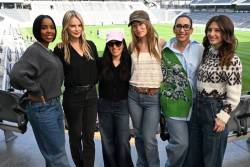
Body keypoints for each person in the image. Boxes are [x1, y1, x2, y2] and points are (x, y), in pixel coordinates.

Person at [9, 15, 70, 167]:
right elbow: (16, 75)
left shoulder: (47, 51)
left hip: (54, 105)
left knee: (55, 153)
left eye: (51, 27)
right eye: (44, 27)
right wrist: (36, 90)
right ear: (37, 30)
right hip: (42, 108)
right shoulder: (34, 50)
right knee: (57, 156)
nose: (49, 30)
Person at [185, 15, 242, 167]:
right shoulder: (207, 52)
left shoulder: (232, 59)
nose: (212, 33)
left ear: (226, 33)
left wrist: (222, 117)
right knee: (193, 157)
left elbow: (234, 96)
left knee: (211, 160)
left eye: (217, 30)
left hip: (214, 112)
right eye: (209, 30)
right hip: (197, 109)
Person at [53, 10, 98, 167]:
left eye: (79, 25)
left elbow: (99, 70)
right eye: (73, 26)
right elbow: (55, 77)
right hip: (73, 97)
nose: (77, 29)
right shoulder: (60, 49)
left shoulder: (90, 45)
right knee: (74, 136)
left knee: (89, 137)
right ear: (66, 27)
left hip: (92, 96)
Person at [160, 15, 204, 167]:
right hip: (173, 104)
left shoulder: (200, 49)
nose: (182, 30)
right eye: (179, 26)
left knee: (191, 147)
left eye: (186, 26)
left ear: (191, 30)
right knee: (181, 144)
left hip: (195, 105)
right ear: (173, 29)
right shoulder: (163, 49)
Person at [127, 10, 165, 167]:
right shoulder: (131, 46)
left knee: (149, 138)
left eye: (141, 24)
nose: (138, 28)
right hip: (134, 95)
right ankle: (142, 164)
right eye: (134, 25)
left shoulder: (160, 43)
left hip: (153, 97)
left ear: (148, 24)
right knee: (139, 135)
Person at [97, 29, 134, 167]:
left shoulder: (129, 61)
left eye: (118, 43)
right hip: (104, 105)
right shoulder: (101, 62)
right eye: (111, 44)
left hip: (122, 105)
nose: (114, 47)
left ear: (123, 44)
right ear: (107, 46)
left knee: (123, 140)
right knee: (107, 141)